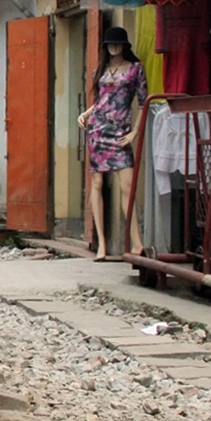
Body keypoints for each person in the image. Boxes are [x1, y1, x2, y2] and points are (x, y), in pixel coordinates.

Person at [77, 26, 148, 260]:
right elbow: (101, 101)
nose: (114, 47)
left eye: (117, 43)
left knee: (127, 186)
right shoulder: (102, 70)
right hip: (97, 130)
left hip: (121, 132)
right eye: (110, 44)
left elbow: (143, 101)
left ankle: (137, 243)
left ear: (125, 45)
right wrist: (86, 113)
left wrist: (136, 131)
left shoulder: (135, 69)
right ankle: (102, 244)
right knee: (96, 184)